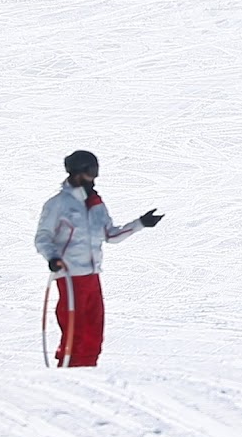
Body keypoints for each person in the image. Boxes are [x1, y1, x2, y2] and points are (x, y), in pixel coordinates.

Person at [34, 151, 163, 367]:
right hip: (70, 275)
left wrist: (141, 223)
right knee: (76, 329)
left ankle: (88, 370)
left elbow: (110, 235)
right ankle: (67, 370)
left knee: (94, 328)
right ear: (77, 172)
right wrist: (53, 257)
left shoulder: (95, 204)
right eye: (91, 172)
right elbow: (43, 237)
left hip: (92, 275)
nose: (94, 178)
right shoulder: (58, 204)